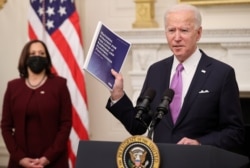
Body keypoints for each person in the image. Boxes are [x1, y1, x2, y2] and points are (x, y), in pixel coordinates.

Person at [106, 4, 245, 152]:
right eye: (171, 30)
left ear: (198, 33)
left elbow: (235, 133)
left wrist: (200, 143)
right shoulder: (156, 71)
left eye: (184, 30)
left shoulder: (221, 73)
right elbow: (138, 126)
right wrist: (118, 95)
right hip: (162, 161)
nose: (177, 37)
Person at [1, 39, 72, 168]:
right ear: (25, 58)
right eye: (32, 54)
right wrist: (20, 158)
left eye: (41, 53)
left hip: (54, 161)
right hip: (20, 162)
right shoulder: (13, 87)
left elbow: (66, 124)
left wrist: (48, 157)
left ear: (47, 58)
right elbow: (6, 126)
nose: (37, 56)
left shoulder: (60, 85)